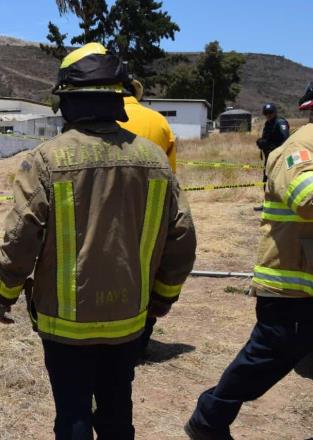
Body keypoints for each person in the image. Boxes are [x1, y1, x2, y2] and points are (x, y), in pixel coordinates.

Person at [0, 43, 197, 439]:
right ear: (118, 100)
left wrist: (3, 294)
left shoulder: (46, 160)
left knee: (73, 416)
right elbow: (183, 235)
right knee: (118, 413)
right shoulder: (154, 160)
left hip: (64, 325)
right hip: (129, 320)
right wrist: (163, 298)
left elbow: (20, 239)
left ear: (68, 102)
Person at [185, 83, 313, 440]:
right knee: (268, 357)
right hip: (293, 285)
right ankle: (210, 417)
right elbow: (305, 199)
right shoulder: (301, 146)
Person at [118, 78, 179, 362]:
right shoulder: (159, 123)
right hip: (148, 212)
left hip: (103, 210)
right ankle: (139, 338)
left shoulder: (95, 119)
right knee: (146, 273)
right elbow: (171, 179)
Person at [119, 79, 177, 172]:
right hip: (152, 185)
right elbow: (171, 172)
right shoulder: (160, 120)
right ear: (136, 94)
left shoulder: (102, 119)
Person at [257, 103, 290, 183]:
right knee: (266, 180)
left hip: (278, 157)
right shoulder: (268, 124)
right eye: (266, 113)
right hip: (269, 157)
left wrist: (273, 146)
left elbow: (286, 139)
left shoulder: (280, 122)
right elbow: (268, 138)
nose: (268, 115)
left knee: (277, 181)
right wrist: (262, 142)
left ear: (275, 112)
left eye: (270, 112)